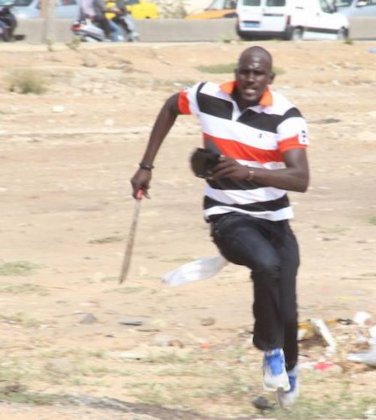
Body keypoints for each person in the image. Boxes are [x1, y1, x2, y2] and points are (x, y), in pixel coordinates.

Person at [129, 46, 310, 409]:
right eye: (245, 72)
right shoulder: (207, 95)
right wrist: (146, 165)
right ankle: (269, 347)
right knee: (265, 264)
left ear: (269, 79)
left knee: (288, 309)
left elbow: (301, 178)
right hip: (228, 216)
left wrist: (249, 172)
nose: (250, 79)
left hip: (275, 220)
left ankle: (288, 375)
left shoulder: (286, 116)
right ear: (236, 72)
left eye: (259, 74)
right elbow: (169, 107)